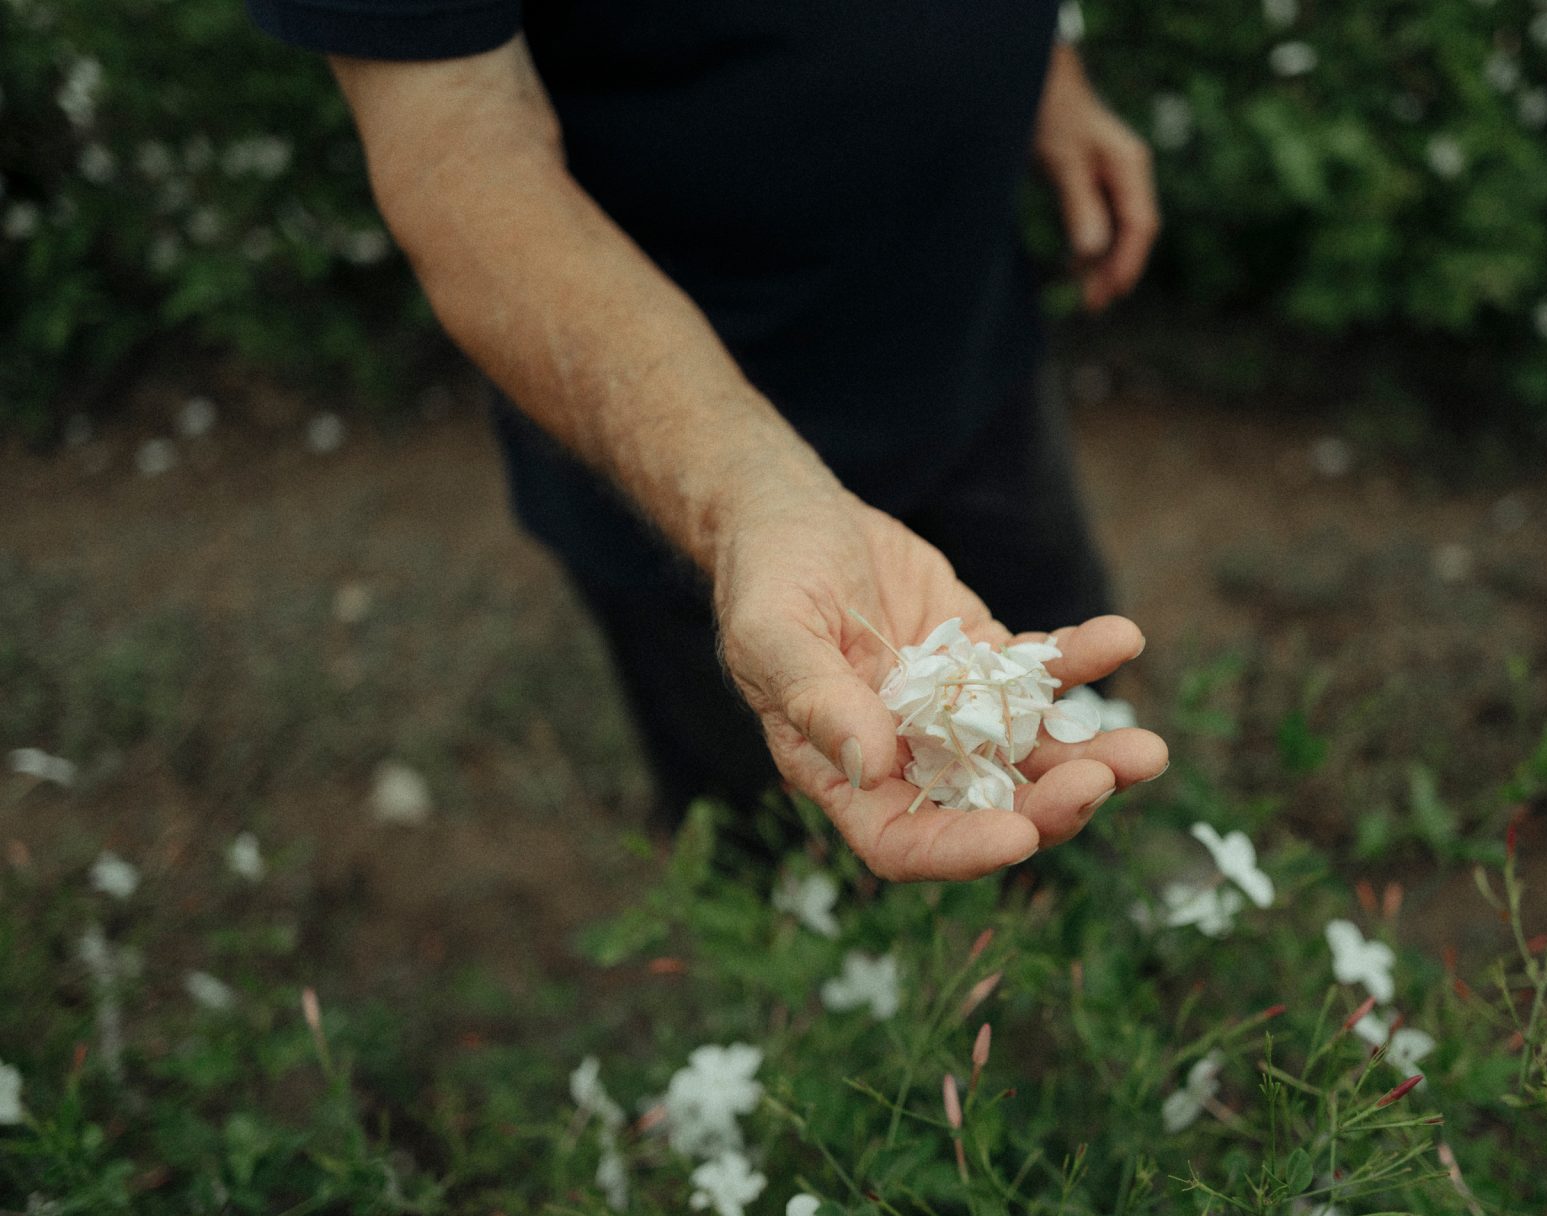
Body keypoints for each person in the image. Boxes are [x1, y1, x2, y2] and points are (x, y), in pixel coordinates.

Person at [248, 0, 1169, 881]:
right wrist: (746, 500)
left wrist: (1046, 68)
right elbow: (459, 157)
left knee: (1060, 711)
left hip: (970, 336)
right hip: (677, 450)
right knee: (782, 821)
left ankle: (1080, 927)